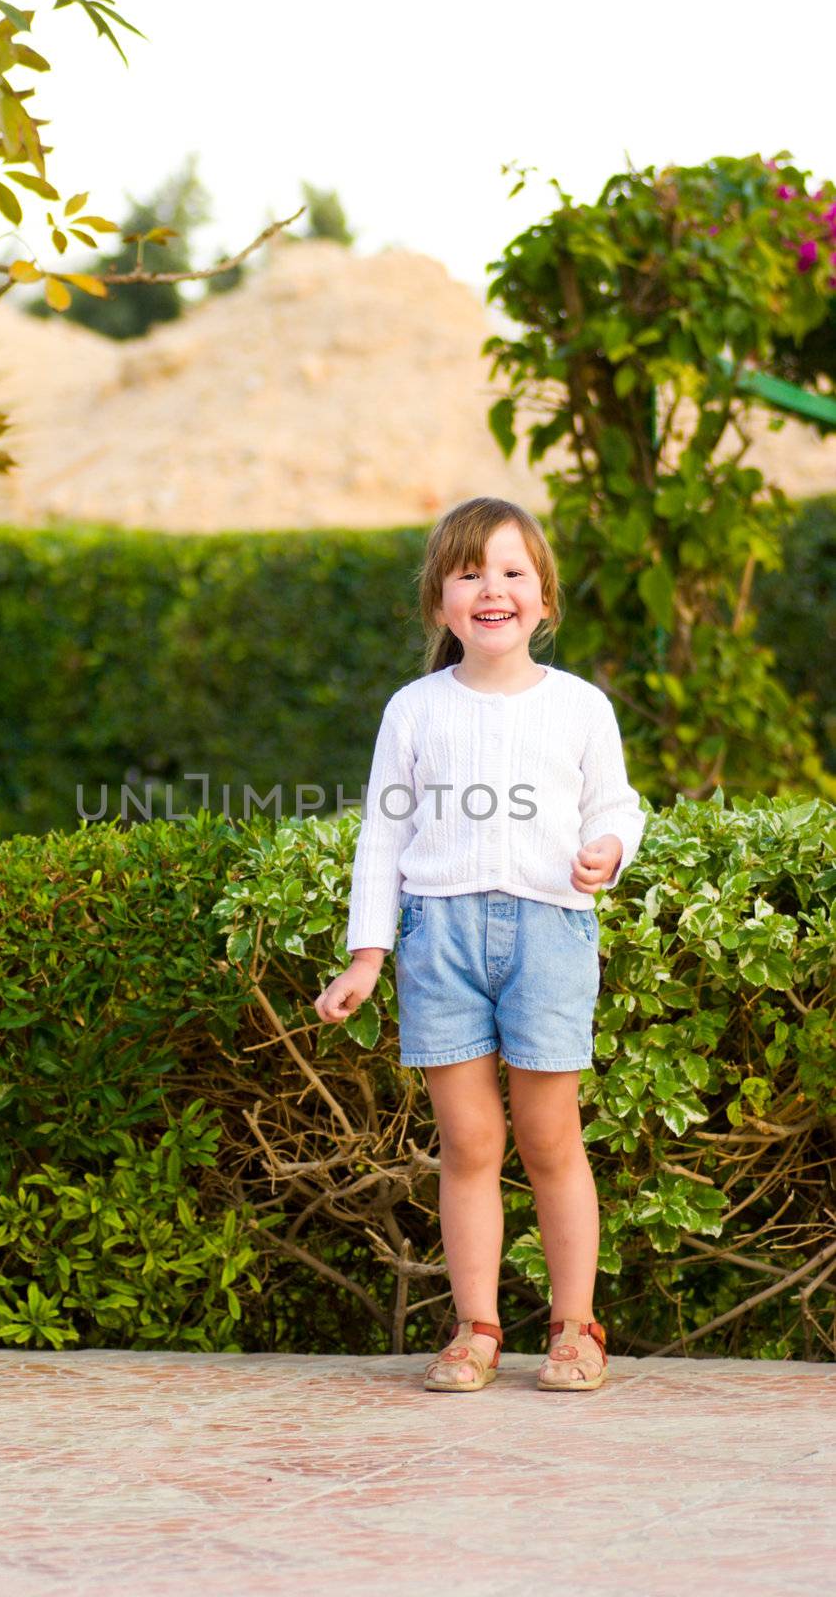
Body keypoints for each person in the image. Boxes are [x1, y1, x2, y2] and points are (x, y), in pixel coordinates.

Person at [313, 496, 647, 1393]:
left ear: (542, 599)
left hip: (549, 935)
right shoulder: (414, 710)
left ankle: (575, 1328)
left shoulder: (579, 708)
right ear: (438, 602)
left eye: (511, 572)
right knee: (466, 1144)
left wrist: (606, 851)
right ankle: (476, 1328)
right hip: (439, 940)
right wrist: (366, 956)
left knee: (549, 1140)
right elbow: (381, 836)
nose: (490, 588)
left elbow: (615, 806)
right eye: (469, 572)